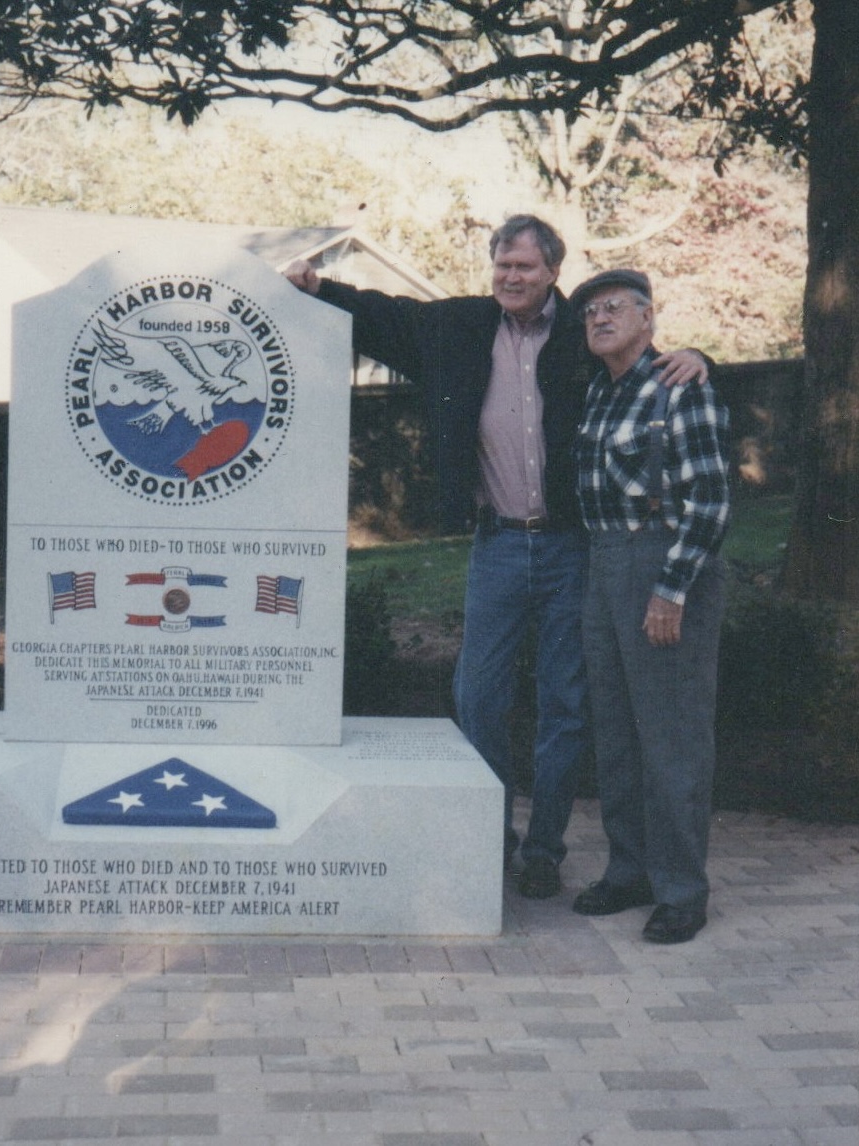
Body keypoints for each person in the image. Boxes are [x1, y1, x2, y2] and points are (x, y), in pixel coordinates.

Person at [283, 216, 706, 898]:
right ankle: (489, 833)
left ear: (552, 274)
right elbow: (382, 315)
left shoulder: (581, 334)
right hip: (498, 543)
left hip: (572, 546)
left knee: (564, 703)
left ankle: (543, 849)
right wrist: (317, 287)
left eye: (527, 269)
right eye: (503, 265)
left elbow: (640, 354)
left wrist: (697, 357)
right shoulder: (457, 327)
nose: (512, 278)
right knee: (477, 696)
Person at [569, 269, 729, 944]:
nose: (599, 318)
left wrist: (672, 589)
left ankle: (682, 890)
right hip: (604, 564)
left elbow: (712, 500)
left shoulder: (680, 386)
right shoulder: (598, 394)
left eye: (615, 307)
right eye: (590, 312)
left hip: (661, 564)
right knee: (616, 729)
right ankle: (630, 869)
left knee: (671, 733)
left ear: (648, 317)